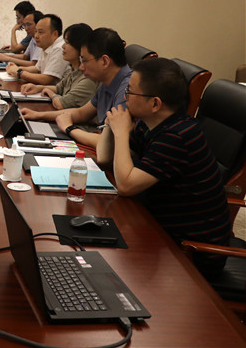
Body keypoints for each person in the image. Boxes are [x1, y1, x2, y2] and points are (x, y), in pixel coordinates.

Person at [96, 58, 230, 279]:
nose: (125, 97)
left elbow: (126, 185)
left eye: (130, 92)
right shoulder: (150, 124)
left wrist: (120, 133)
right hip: (159, 226)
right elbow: (104, 158)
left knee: (106, 266)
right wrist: (112, 125)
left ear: (155, 104)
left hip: (191, 252)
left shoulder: (178, 136)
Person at [21, 27, 131, 148]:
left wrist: (69, 129)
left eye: (84, 60)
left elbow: (111, 143)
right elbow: (81, 113)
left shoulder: (128, 90)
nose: (82, 67)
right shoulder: (107, 80)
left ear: (104, 61)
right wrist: (38, 115)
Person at [19, 23, 98, 108]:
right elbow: (59, 88)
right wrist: (37, 88)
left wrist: (50, 93)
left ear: (80, 47)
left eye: (67, 42)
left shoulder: (88, 77)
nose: (63, 46)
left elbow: (62, 103)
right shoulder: (74, 71)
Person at [6, 14, 69, 85]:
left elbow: (47, 80)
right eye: (36, 31)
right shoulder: (46, 45)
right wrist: (16, 68)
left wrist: (19, 72)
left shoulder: (60, 48)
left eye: (40, 32)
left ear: (55, 34)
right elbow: (37, 69)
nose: (36, 36)